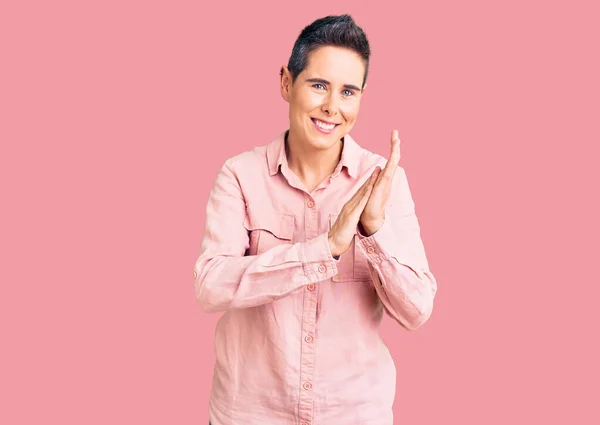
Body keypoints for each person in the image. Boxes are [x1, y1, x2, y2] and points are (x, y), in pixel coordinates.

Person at [193, 14, 438, 425]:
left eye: (348, 92)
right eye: (319, 85)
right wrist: (323, 249)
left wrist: (373, 231)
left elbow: (416, 311)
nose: (332, 106)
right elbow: (209, 286)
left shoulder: (382, 182)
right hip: (251, 414)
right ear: (287, 83)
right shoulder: (240, 175)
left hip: (353, 414)